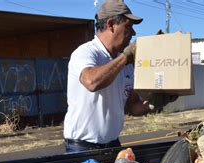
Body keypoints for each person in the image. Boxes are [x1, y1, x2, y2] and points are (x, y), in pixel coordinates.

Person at [63, 0, 151, 153]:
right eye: (128, 26)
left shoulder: (125, 62)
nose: (133, 33)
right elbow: (92, 81)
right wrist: (124, 57)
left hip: (113, 145)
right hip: (82, 148)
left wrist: (153, 103)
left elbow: (132, 106)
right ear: (111, 25)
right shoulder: (86, 52)